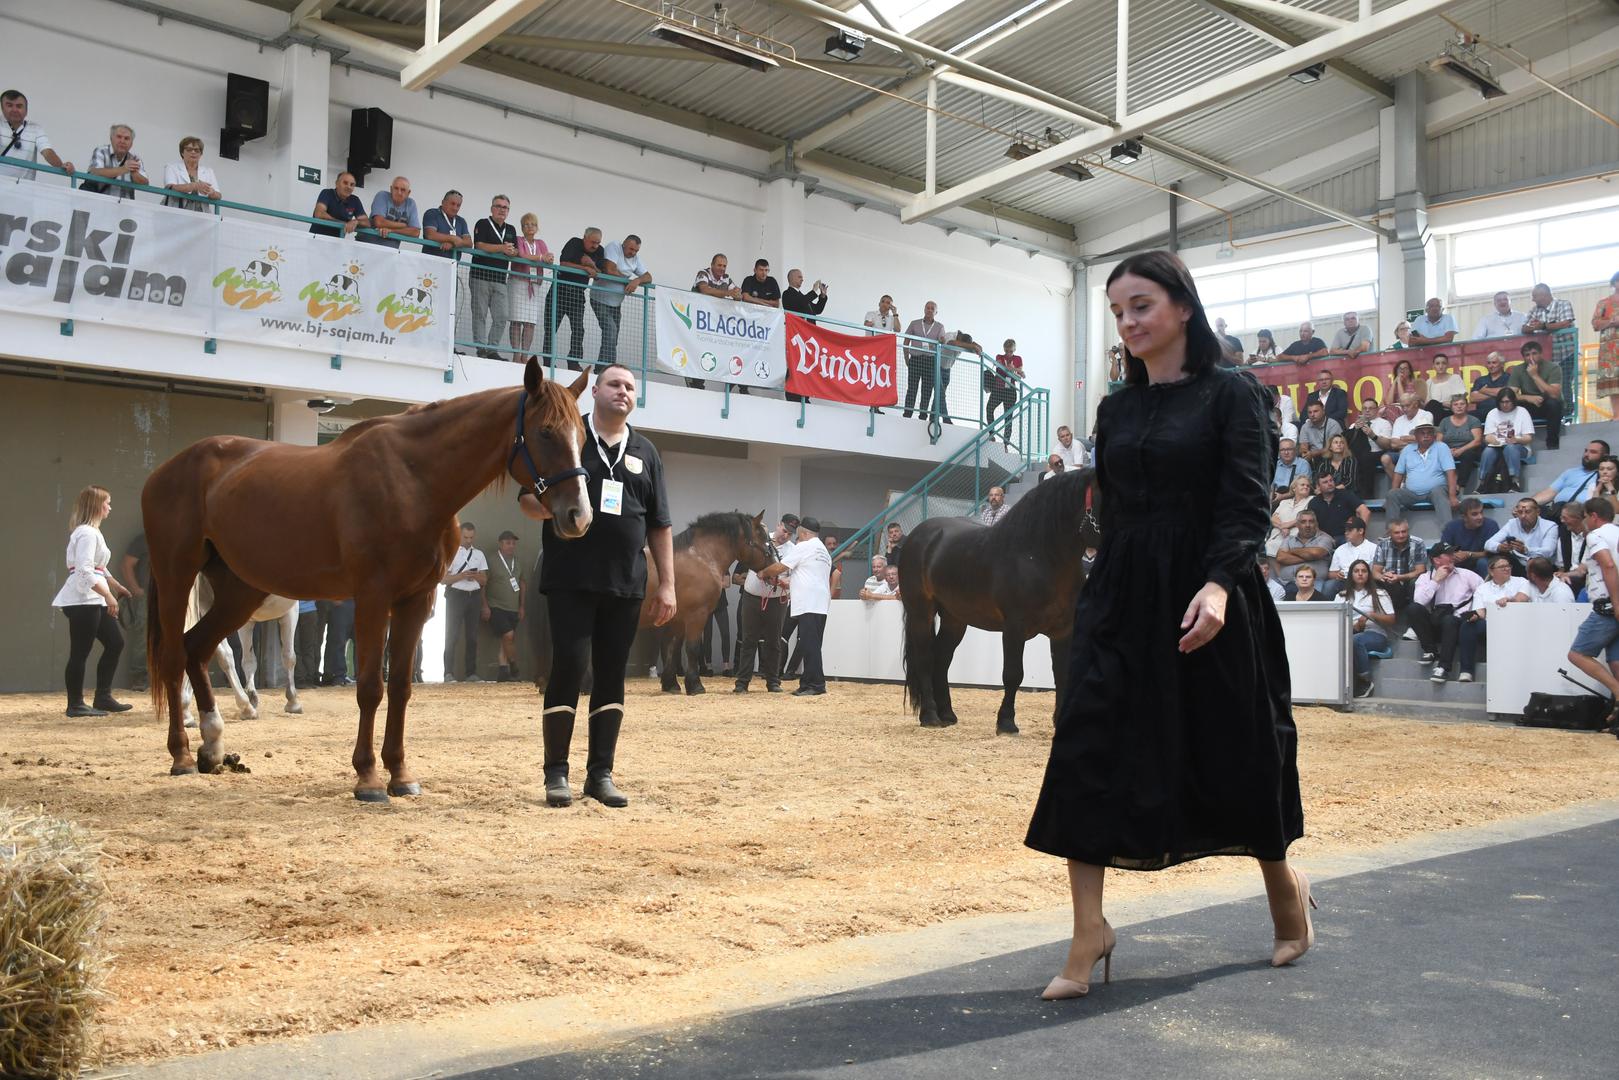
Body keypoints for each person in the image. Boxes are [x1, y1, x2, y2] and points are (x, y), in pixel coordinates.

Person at [1024, 250, 1309, 1002]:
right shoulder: (1115, 409)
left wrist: (1217, 585)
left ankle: (1281, 882)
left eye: (1140, 304)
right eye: (1117, 311)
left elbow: (1246, 503)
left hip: (1212, 592)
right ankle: (1089, 929)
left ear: (1183, 306)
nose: (1127, 322)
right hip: (1120, 595)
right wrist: (1097, 590)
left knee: (1236, 747)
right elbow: (1112, 509)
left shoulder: (1233, 394)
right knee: (1084, 743)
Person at [522, 362, 675, 807]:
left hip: (626, 584)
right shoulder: (570, 435)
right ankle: (557, 775)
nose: (622, 391)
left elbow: (660, 525)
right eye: (614, 384)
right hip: (570, 578)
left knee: (612, 675)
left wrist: (667, 585)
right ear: (595, 392)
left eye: (630, 386)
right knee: (568, 666)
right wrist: (556, 511)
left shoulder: (647, 452)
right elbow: (528, 499)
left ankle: (601, 774)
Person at [51, 485, 133, 716]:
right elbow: (84, 571)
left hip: (91, 598)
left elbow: (99, 567)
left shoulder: (92, 532)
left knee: (115, 642)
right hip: (83, 599)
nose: (110, 506)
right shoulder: (87, 533)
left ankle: (103, 697)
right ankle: (75, 704)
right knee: (80, 651)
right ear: (97, 505)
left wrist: (115, 586)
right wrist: (108, 596)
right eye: (107, 502)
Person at [758, 518, 832, 697]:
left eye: (798, 532)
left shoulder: (804, 546)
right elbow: (809, 575)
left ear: (804, 532)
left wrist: (763, 572)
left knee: (809, 645)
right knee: (811, 644)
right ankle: (808, 683)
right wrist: (788, 583)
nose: (796, 535)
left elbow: (780, 566)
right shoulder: (823, 551)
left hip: (808, 603)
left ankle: (816, 684)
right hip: (820, 603)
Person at [1405, 543, 1481, 681]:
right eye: (1449, 555)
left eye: (1453, 554)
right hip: (1434, 623)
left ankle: (1443, 668)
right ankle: (1430, 650)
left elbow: (1483, 594)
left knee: (1449, 620)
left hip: (1458, 624)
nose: (1453, 557)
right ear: (1436, 560)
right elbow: (1419, 602)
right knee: (1413, 609)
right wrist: (1436, 581)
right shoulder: (1425, 578)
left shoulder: (1467, 575)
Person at [1453, 555, 1531, 683]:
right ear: (1491, 571)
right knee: (1468, 625)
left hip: (1515, 624)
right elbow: (1481, 612)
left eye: (1508, 566)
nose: (1506, 569)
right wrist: (1474, 616)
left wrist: (1510, 599)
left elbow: (1522, 599)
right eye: (1502, 567)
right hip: (1492, 625)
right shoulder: (1483, 588)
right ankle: (1466, 671)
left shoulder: (1521, 581)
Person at [548, 227, 607, 372]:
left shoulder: (600, 251)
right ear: (584, 238)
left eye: (598, 243)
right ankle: (548, 361)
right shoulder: (574, 243)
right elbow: (563, 264)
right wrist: (584, 267)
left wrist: (591, 265)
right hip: (559, 290)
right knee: (551, 327)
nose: (595, 246)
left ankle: (573, 362)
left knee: (579, 329)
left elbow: (600, 272)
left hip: (577, 294)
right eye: (592, 242)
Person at [733, 542, 788, 693]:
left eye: (789, 532)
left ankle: (773, 681)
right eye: (784, 530)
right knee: (748, 640)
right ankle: (742, 682)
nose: (786, 534)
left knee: (774, 641)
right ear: (778, 526)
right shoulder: (757, 546)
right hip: (752, 598)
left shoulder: (792, 549)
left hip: (777, 599)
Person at [470, 195, 519, 360]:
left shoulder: (511, 229)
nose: (501, 210)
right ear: (492, 208)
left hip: (500, 278)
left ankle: (491, 349)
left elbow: (516, 251)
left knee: (502, 316)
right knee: (480, 314)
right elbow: (480, 245)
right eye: (498, 206)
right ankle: (481, 349)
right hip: (480, 275)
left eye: (505, 207)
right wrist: (502, 248)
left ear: (508, 211)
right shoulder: (482, 223)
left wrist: (513, 252)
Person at [593, 234, 652, 365]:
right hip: (600, 299)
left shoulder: (635, 259)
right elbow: (609, 269)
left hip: (616, 303)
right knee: (611, 331)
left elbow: (648, 277)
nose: (633, 253)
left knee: (613, 337)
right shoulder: (614, 246)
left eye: (636, 250)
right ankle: (609, 368)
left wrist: (637, 280)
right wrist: (627, 281)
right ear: (624, 244)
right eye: (631, 249)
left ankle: (601, 368)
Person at [1525, 282, 1580, 417]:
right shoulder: (1534, 310)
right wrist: (1533, 327)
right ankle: (1553, 414)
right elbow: (1524, 328)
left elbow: (1566, 323)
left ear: (1543, 295)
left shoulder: (1563, 304)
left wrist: (1543, 326)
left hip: (1566, 353)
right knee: (1545, 385)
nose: (1533, 300)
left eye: (1535, 296)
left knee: (1565, 383)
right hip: (1547, 356)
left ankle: (1567, 413)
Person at [441, 523, 488, 682]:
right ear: (460, 535)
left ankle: (471, 673)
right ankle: (448, 672)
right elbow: (443, 579)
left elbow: (484, 579)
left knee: (472, 636)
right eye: (465, 537)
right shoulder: (451, 553)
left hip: (473, 596)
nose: (468, 540)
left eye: (471, 537)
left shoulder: (479, 554)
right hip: (456, 595)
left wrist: (474, 576)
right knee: (452, 635)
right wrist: (462, 575)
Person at [1387, 423, 1458, 524]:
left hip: (1435, 491)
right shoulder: (1407, 450)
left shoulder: (1442, 447)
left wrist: (1452, 496)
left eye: (1429, 433)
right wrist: (1393, 492)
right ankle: (1391, 533)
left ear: (1434, 435)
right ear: (1415, 436)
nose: (1426, 435)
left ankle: (1448, 534)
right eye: (1422, 433)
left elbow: (1451, 472)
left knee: (1438, 492)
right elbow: (1398, 473)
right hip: (1411, 493)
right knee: (1392, 494)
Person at [1344, 559, 1395, 698]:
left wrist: (1371, 615)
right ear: (1351, 574)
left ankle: (1364, 681)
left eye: (1364, 571)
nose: (1360, 574)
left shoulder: (1379, 593)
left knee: (1356, 641)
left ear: (1369, 574)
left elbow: (1391, 619)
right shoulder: (1342, 595)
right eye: (1356, 571)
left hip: (1375, 633)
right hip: (1348, 633)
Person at [508, 212, 553, 365]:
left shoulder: (540, 243)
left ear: (537, 227)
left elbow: (547, 258)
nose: (530, 227)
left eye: (532, 224)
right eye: (526, 224)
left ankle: (525, 355)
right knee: (516, 320)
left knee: (530, 322)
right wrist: (541, 258)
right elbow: (521, 254)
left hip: (534, 285)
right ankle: (516, 354)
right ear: (522, 227)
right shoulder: (519, 240)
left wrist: (549, 259)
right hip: (518, 282)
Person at [0, 90, 74, 182]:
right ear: (2, 108)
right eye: (9, 105)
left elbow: (47, 152)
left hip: (22, 188)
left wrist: (61, 165)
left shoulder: (35, 128)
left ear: (26, 111)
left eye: (19, 106)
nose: (14, 109)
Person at [1507, 339, 1563, 450]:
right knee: (1508, 404)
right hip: (1529, 403)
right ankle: (1512, 441)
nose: (1531, 357)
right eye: (1527, 355)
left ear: (1541, 354)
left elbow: (1554, 394)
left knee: (1553, 404)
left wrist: (1534, 375)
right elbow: (1509, 395)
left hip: (1548, 403)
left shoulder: (1553, 368)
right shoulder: (1518, 369)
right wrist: (1527, 397)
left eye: (1534, 353)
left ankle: (1552, 444)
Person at [486, 530, 526, 683]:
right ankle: (514, 667)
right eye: (508, 543)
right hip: (496, 606)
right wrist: (485, 606)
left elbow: (522, 583)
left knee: (506, 639)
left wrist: (522, 606)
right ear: (500, 544)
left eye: (513, 543)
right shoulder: (492, 560)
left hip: (513, 607)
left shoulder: (517, 562)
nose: (511, 546)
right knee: (508, 635)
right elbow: (484, 583)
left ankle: (503, 671)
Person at [1477, 387, 1535, 492]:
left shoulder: (1522, 412)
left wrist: (1516, 439)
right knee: (1488, 451)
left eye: (1507, 402)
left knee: (1511, 448)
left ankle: (1515, 481)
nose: (1505, 405)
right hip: (1498, 446)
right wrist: (1493, 441)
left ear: (1513, 401)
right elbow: (1488, 436)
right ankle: (1482, 483)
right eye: (1502, 402)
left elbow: (1528, 438)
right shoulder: (1492, 413)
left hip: (1519, 446)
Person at [1485, 497, 1558, 577]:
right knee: (1497, 559)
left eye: (1528, 512)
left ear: (1538, 512)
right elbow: (1488, 544)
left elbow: (1548, 551)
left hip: (1540, 567)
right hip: (1516, 565)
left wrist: (1526, 550)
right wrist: (1500, 547)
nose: (1523, 516)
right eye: (1520, 512)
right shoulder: (1512, 523)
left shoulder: (1550, 526)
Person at [1531, 439, 1606, 512]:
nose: (1586, 454)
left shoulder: (1605, 476)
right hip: (1557, 512)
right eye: (1586, 451)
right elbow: (1549, 493)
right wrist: (1527, 505)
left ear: (1604, 456)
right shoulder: (1570, 472)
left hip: (1583, 515)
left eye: (1593, 452)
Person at [901, 301, 947, 421]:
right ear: (924, 309)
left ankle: (922, 416)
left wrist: (942, 340)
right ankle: (907, 415)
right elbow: (906, 341)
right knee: (912, 388)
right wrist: (907, 359)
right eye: (928, 308)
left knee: (926, 390)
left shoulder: (939, 326)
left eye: (933, 308)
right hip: (915, 360)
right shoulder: (914, 323)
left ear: (936, 312)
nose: (930, 310)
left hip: (930, 362)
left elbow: (942, 342)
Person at [1373, 518, 1428, 612]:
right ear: (1389, 533)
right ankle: (1391, 615)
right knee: (1382, 583)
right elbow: (1375, 572)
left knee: (1415, 582)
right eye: (1397, 532)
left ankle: (1413, 613)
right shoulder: (1383, 544)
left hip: (1411, 579)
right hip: (1390, 582)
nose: (1401, 535)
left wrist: (1399, 577)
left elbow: (1420, 570)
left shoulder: (1418, 543)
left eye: (1404, 532)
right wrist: (1384, 576)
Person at [1377, 393, 1434, 482]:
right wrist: (1413, 439)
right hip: (1401, 453)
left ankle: (1410, 484)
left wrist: (1403, 439)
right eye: (1402, 406)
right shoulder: (1399, 420)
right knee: (1385, 459)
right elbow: (1393, 444)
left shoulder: (1426, 415)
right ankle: (1401, 484)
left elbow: (1424, 438)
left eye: (1407, 406)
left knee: (1410, 455)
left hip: (1421, 452)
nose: (1404, 409)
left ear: (1415, 404)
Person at [1273, 510, 1332, 596]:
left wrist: (1291, 551)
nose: (1307, 525)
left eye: (1311, 521)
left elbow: (1316, 553)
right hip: (1286, 582)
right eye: (1303, 522)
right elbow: (1281, 558)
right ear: (1297, 525)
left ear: (1316, 524)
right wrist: (1310, 557)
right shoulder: (1289, 539)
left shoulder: (1325, 538)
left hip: (1315, 582)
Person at [1438, 497, 1499, 576]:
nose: (1480, 517)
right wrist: (1453, 556)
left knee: (1483, 563)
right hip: (1458, 563)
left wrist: (1468, 554)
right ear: (1464, 517)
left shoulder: (1491, 525)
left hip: (1481, 563)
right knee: (1442, 562)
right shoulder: (1451, 526)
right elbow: (1443, 549)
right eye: (1474, 514)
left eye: (1481, 512)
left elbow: (1491, 553)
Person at [82, 123, 145, 200]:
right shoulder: (101, 151)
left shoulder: (135, 158)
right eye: (119, 137)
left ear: (131, 143)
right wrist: (124, 169)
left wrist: (134, 173)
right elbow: (95, 172)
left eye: (126, 138)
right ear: (111, 139)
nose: (122, 141)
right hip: (98, 203)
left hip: (124, 208)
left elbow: (145, 183)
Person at [1436, 394, 1483, 491]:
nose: (1459, 406)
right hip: (1449, 450)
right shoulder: (1444, 421)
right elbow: (1438, 442)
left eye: (1462, 404)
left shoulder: (1473, 420)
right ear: (1451, 407)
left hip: (1469, 449)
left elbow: (1477, 441)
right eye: (1455, 404)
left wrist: (1461, 450)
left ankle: (1459, 485)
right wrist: (1447, 450)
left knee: (1468, 455)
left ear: (1467, 406)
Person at [360, 175, 421, 249]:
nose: (399, 192)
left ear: (408, 193)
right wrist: (403, 225)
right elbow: (379, 222)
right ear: (391, 189)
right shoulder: (382, 195)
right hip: (366, 245)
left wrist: (392, 230)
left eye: (403, 190)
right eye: (396, 188)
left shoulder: (411, 204)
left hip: (390, 252)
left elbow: (415, 232)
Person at [1305, 472, 1367, 544]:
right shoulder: (1314, 502)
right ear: (1318, 487)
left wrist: (1360, 532)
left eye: (1331, 480)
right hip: (1324, 538)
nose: (1330, 484)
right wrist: (1323, 536)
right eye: (1325, 482)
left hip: (1346, 536)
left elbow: (1365, 511)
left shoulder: (1346, 494)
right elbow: (1311, 524)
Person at [161, 135, 220, 211]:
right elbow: (170, 187)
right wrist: (194, 186)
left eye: (197, 150)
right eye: (189, 149)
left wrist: (211, 192)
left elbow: (218, 195)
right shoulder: (171, 167)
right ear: (182, 152)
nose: (193, 152)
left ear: (201, 154)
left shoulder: (208, 171)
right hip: (175, 209)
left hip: (201, 213)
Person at [1590, 272, 1619, 422]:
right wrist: (1611, 322)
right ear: (1614, 283)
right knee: (1613, 381)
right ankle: (1617, 415)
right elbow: (1595, 323)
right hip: (1610, 348)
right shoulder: (1603, 303)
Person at [1324, 518, 1376, 599]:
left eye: (1350, 530)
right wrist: (1337, 575)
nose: (1346, 533)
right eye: (1346, 530)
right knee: (1329, 586)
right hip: (1344, 581)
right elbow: (1331, 573)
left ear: (1361, 531)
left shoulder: (1373, 548)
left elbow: (1376, 572)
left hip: (1365, 581)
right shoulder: (1340, 549)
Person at [1266, 474, 1315, 556]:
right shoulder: (1284, 502)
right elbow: (1274, 518)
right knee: (1269, 547)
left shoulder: (1312, 500)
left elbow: (1305, 517)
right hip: (1278, 534)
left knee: (1283, 549)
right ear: (1294, 488)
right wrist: (1282, 527)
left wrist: (1286, 525)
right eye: (1302, 485)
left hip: (1295, 535)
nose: (1306, 487)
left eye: (1308, 486)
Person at [986, 340, 1023, 445]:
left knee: (1008, 417)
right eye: (1006, 351)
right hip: (998, 389)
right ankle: (991, 433)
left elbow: (1020, 375)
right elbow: (1003, 367)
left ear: (1014, 349)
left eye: (1011, 351)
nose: (1008, 353)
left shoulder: (1018, 358)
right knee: (989, 408)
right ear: (1004, 349)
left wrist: (1016, 370)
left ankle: (1006, 444)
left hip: (1010, 391)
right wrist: (1015, 370)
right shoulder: (999, 356)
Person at [310, 170, 366, 237]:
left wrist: (356, 222)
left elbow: (366, 222)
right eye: (345, 183)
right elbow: (319, 214)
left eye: (352, 185)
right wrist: (344, 224)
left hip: (337, 242)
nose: (349, 187)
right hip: (317, 238)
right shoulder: (327, 193)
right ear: (337, 183)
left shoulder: (355, 200)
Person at [421, 189, 472, 261]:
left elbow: (469, 243)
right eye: (452, 204)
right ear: (443, 202)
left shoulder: (461, 221)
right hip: (430, 264)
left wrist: (453, 244)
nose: (455, 208)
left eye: (458, 205)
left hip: (451, 267)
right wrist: (453, 238)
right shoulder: (432, 213)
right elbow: (430, 235)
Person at [1468, 350, 1512, 425]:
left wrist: (1483, 390)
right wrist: (1497, 393)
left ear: (1502, 364)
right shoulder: (1480, 380)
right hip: (1482, 413)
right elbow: (1472, 398)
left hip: (1502, 412)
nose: (1491, 366)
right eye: (1489, 363)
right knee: (1464, 417)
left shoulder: (1509, 377)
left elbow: (1506, 394)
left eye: (1494, 363)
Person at [1295, 399, 1342, 465]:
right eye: (1310, 412)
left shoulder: (1333, 425)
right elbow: (1303, 445)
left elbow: (1334, 448)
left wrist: (1313, 453)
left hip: (1332, 459)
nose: (1312, 415)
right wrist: (1304, 452)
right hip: (1312, 460)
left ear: (1323, 411)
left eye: (1315, 411)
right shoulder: (1305, 427)